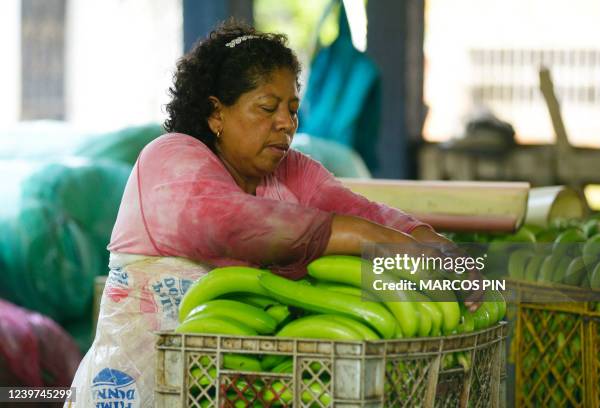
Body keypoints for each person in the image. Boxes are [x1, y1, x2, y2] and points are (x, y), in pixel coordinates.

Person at [67, 21, 480, 407]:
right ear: (216, 113)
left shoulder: (293, 171)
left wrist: (439, 248)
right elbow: (233, 224)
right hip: (137, 387)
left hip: (243, 386)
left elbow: (366, 213)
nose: (286, 123)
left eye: (293, 108)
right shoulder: (170, 156)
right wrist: (362, 238)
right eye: (267, 108)